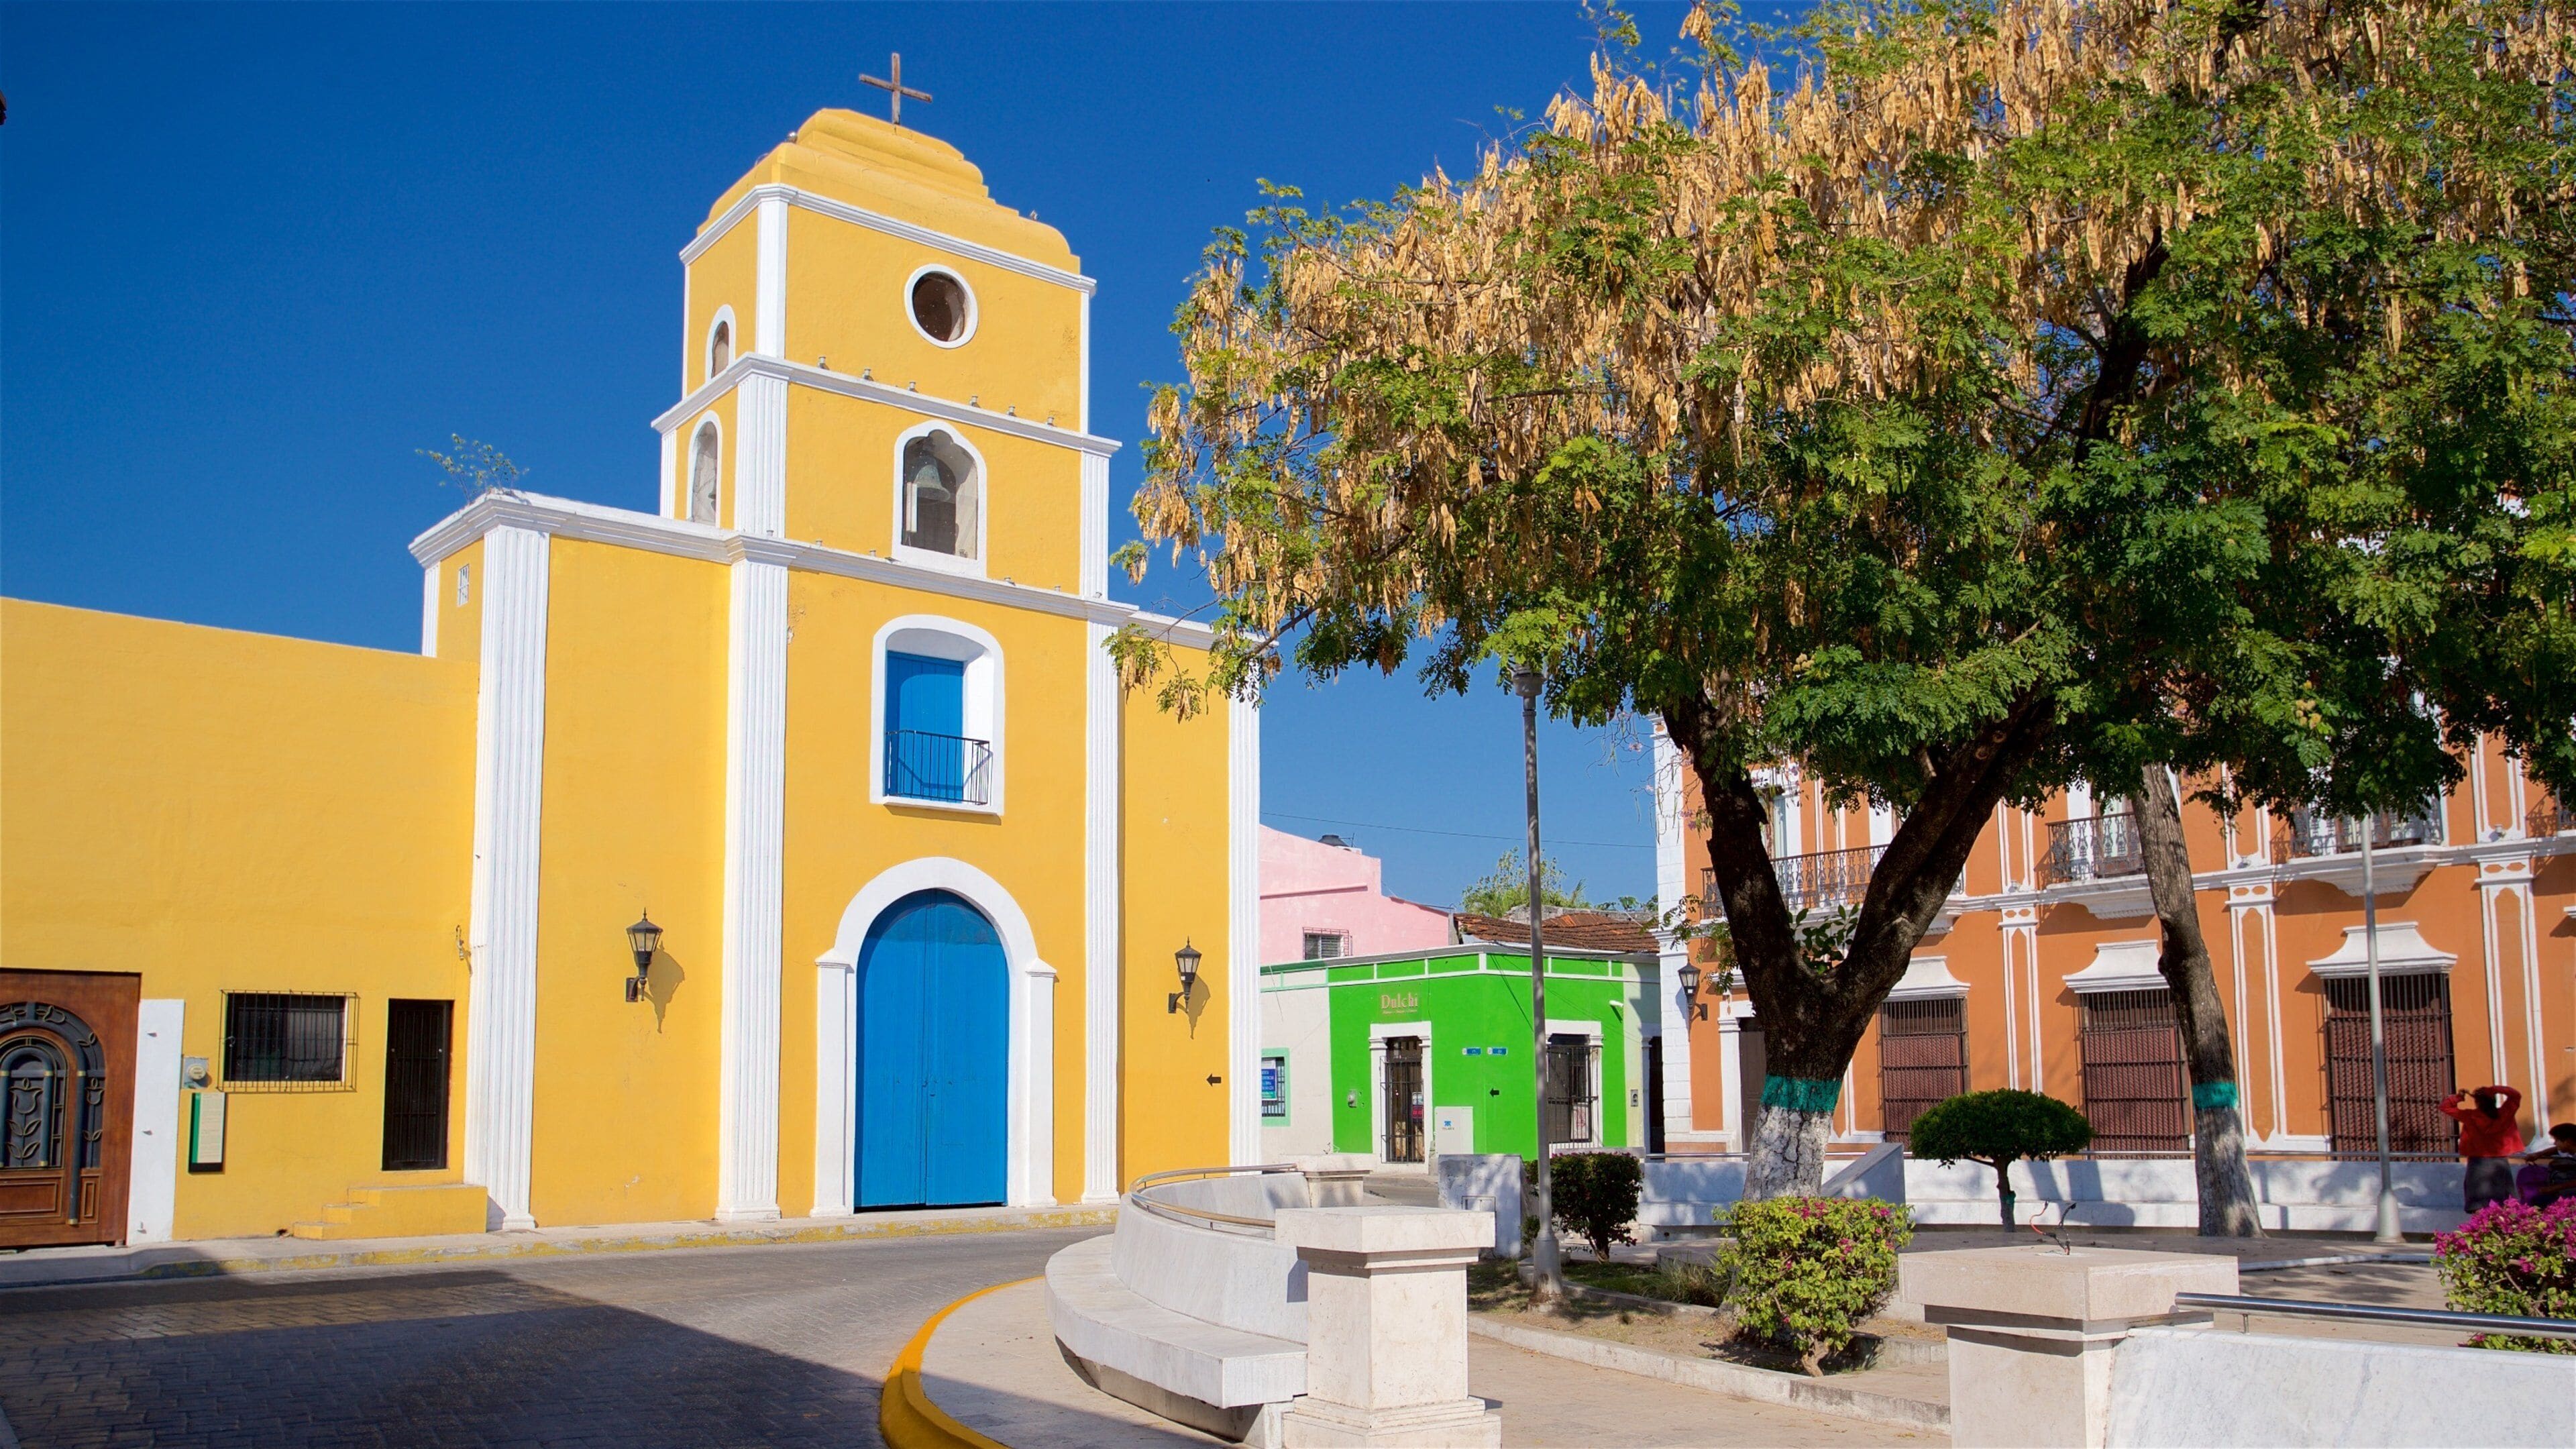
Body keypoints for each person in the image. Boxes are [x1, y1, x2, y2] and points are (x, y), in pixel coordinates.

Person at [2440, 1084, 2525, 1212]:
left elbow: (2445, 1107)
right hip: (2500, 1162)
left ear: (2477, 1102)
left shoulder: (2470, 1116)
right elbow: (2515, 1096)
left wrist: (2459, 1097)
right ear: (2493, 1100)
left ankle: (2481, 1228)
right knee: (2503, 1202)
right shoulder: (2505, 1114)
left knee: (2479, 1202)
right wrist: (2494, 1089)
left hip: (2478, 1162)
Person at [2521, 1122, 2576, 1209]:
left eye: (2557, 1140)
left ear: (2568, 1142)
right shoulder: (2571, 1148)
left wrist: (2553, 1188)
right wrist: (2538, 1154)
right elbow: (2556, 1150)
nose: (2555, 1143)